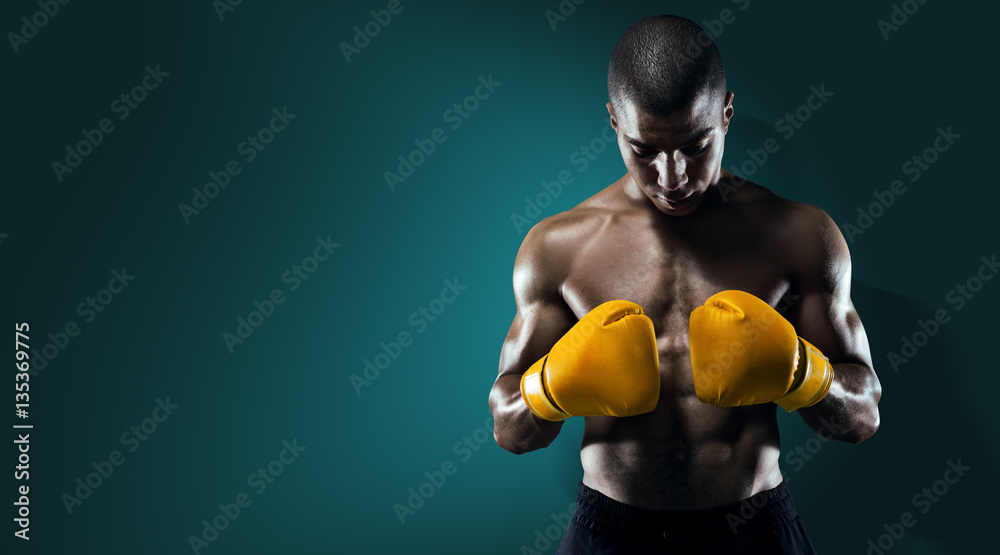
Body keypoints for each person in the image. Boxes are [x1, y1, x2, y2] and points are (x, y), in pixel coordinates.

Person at [488, 15, 882, 554]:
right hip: (611, 530)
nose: (672, 177)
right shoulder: (559, 248)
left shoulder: (798, 236)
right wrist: (551, 389)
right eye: (644, 150)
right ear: (613, 121)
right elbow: (510, 430)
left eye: (696, 146)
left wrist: (801, 374)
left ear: (726, 113)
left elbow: (863, 416)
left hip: (753, 525)